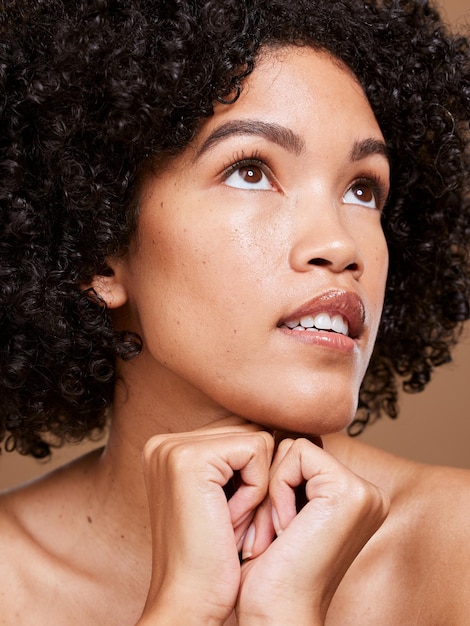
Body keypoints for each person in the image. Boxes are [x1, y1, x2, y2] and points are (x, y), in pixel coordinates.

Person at [1, 0, 469, 623]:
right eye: (250, 171)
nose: (339, 245)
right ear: (99, 249)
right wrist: (184, 608)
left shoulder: (455, 550)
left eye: (363, 188)